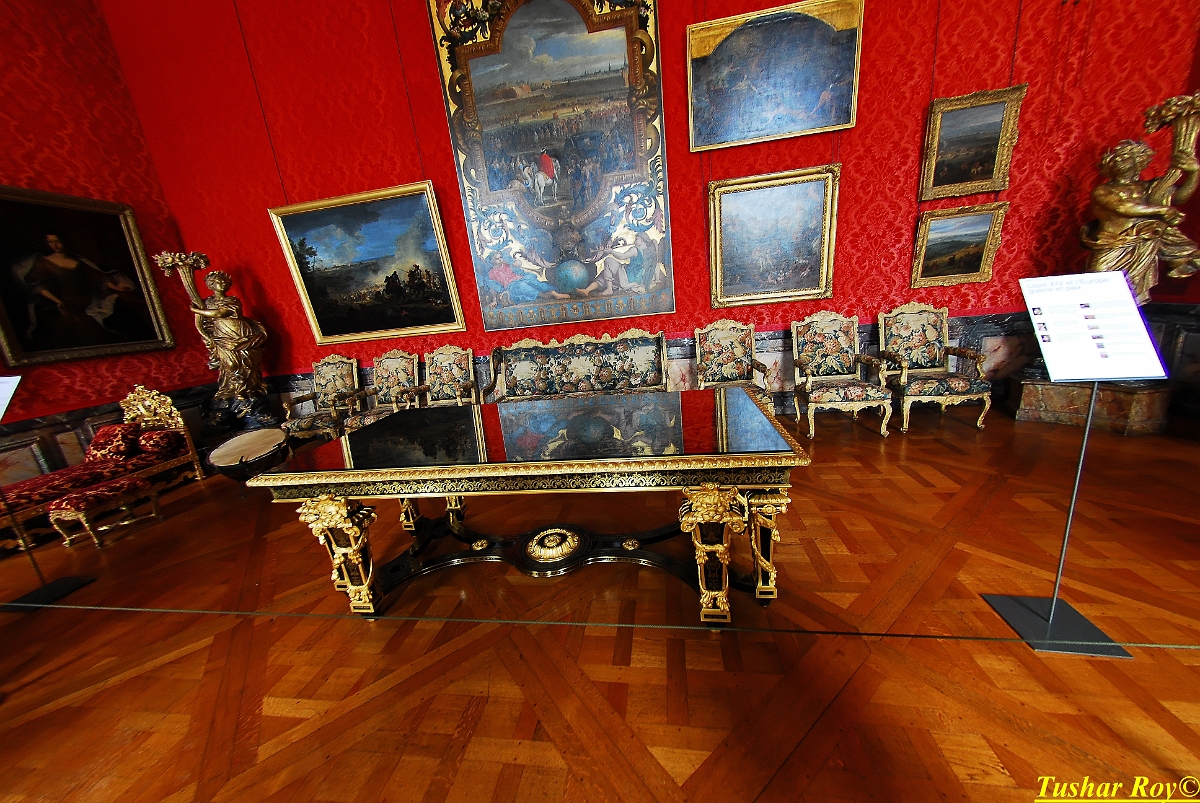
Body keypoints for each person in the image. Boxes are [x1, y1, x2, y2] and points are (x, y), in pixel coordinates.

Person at [1080, 139, 1200, 303]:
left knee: (1135, 292)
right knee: (1098, 283)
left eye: (1125, 157)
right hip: (1113, 243)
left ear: (1138, 161)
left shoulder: (1151, 188)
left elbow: (1180, 197)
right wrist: (1162, 210)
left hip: (1143, 244)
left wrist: (1194, 173)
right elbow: (1123, 207)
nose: (1119, 161)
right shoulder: (1103, 190)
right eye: (1116, 158)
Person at [22, 233, 137, 349]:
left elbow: (97, 278)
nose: (54, 245)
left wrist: (116, 288)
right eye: (51, 242)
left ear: (65, 241)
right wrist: (57, 301)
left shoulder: (78, 261)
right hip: (62, 304)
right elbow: (38, 286)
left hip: (84, 303)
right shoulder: (44, 262)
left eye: (57, 241)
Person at [191, 271, 268, 406]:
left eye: (224, 281)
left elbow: (220, 313)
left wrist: (196, 310)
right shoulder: (206, 302)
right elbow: (204, 322)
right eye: (218, 281)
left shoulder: (232, 300)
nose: (222, 284)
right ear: (210, 285)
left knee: (248, 364)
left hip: (241, 335)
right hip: (222, 338)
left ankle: (249, 391)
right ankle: (233, 391)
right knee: (230, 365)